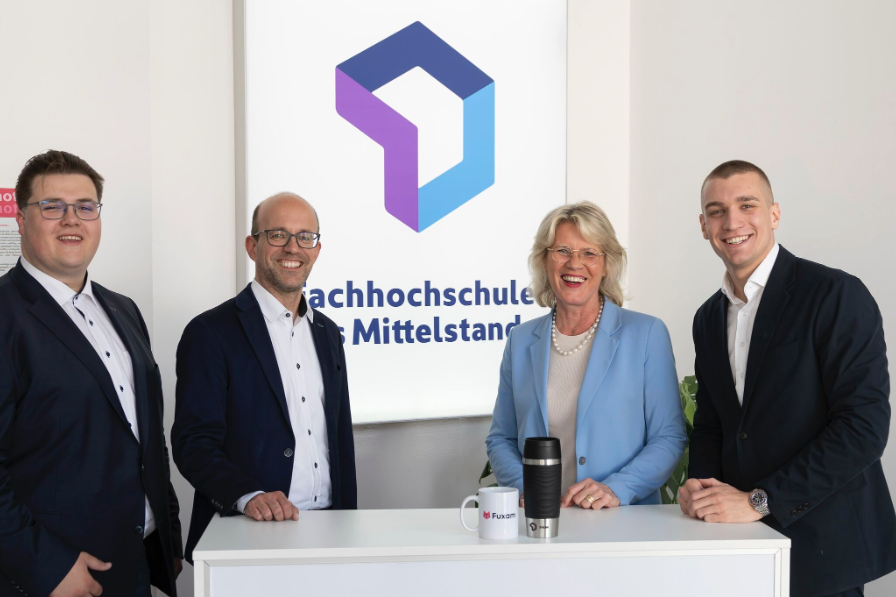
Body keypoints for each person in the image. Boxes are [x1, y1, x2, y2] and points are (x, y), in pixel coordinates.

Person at [680, 160, 896, 597]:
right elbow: (712, 422)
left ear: (774, 213)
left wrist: (760, 501)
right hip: (741, 546)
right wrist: (699, 487)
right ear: (704, 226)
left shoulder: (835, 294)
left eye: (747, 205)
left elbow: (863, 428)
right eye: (717, 211)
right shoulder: (707, 317)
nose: (732, 222)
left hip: (824, 545)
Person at [0, 150, 183, 597]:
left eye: (85, 207)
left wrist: (168, 533)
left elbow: (147, 434)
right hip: (55, 576)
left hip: (137, 560)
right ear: (20, 220)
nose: (71, 220)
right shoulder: (5, 314)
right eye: (52, 206)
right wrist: (48, 567)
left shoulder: (123, 309)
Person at [172, 192, 357, 562]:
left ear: (317, 250)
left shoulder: (327, 333)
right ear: (252, 246)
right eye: (278, 234)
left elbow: (339, 438)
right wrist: (248, 496)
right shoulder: (210, 332)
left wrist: (350, 523)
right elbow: (193, 443)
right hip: (248, 531)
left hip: (331, 530)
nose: (293, 247)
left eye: (305, 237)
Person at [486, 202, 686, 509]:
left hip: (623, 520)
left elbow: (669, 437)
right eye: (562, 251)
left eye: (589, 253)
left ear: (607, 265)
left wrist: (617, 489)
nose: (574, 264)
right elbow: (501, 438)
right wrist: (528, 489)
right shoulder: (520, 340)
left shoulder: (647, 334)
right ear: (544, 260)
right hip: (543, 520)